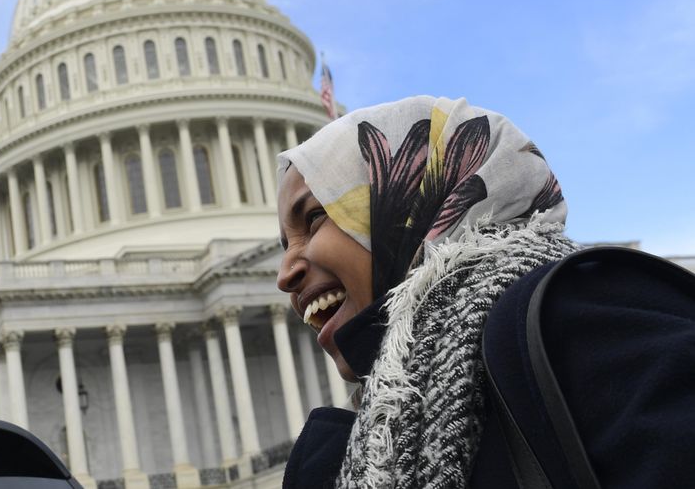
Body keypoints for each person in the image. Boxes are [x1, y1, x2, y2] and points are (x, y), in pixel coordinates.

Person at [276, 96, 695, 488]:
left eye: (314, 218)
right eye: (283, 245)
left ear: (409, 197)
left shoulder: (574, 313)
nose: (284, 274)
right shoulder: (380, 424)